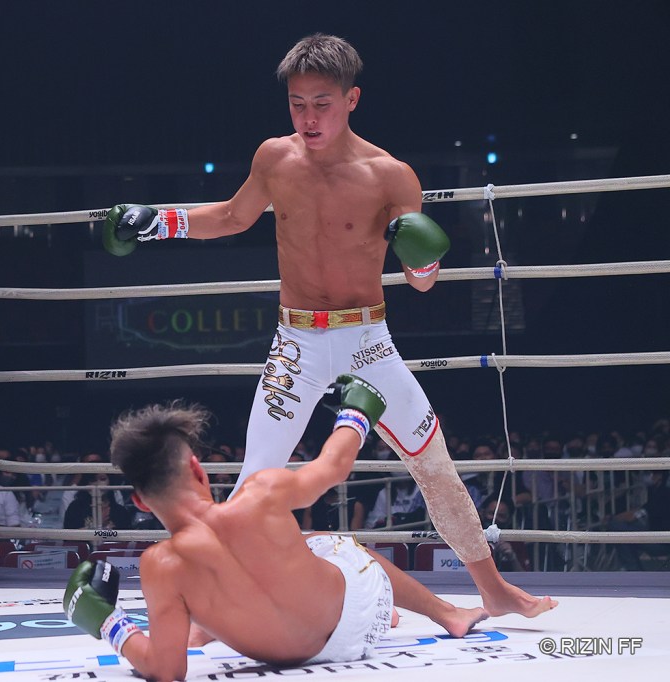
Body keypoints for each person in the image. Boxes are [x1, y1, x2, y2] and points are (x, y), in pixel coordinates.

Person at [101, 32, 551, 618]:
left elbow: (421, 282)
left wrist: (423, 256)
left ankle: (492, 591)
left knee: (433, 465)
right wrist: (159, 222)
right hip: (295, 343)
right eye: (297, 104)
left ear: (352, 99)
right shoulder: (274, 158)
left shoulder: (391, 176)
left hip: (368, 342)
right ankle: (211, 606)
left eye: (322, 103)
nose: (308, 118)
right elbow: (233, 217)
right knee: (255, 482)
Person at [64, 375, 494, 678]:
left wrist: (106, 622)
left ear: (139, 501)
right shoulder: (261, 494)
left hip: (297, 657)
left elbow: (165, 669)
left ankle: (199, 629)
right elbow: (334, 465)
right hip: (365, 618)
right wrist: (357, 411)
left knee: (216, 582)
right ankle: (449, 614)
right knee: (331, 543)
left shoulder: (161, 565)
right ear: (198, 469)